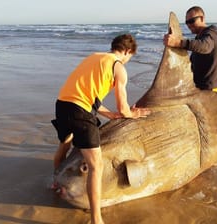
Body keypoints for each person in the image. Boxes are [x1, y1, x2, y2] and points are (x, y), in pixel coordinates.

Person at [51, 34, 151, 224]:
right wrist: (132, 114)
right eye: (130, 57)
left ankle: (56, 183)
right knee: (96, 166)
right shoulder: (118, 67)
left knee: (64, 146)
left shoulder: (94, 57)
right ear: (128, 52)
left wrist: (111, 115)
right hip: (80, 110)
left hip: (63, 104)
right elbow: (124, 108)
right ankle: (97, 219)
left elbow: (90, 97)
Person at [163, 6, 217, 92]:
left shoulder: (211, 34)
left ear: (202, 18)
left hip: (209, 91)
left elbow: (205, 46)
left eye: (192, 21)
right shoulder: (200, 37)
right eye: (187, 22)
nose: (189, 25)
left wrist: (178, 43)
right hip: (198, 88)